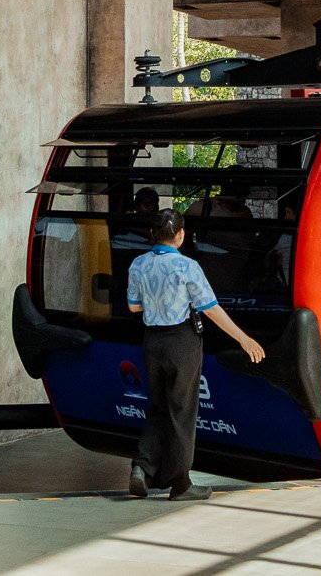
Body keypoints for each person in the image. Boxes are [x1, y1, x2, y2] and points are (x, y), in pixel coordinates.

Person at [126, 207, 267, 502]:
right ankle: (180, 483)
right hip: (181, 342)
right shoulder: (188, 267)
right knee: (182, 411)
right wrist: (244, 339)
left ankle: (142, 468)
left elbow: (133, 308)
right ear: (180, 235)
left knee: (157, 407)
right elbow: (211, 308)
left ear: (154, 234)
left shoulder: (138, 265)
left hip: (152, 343)